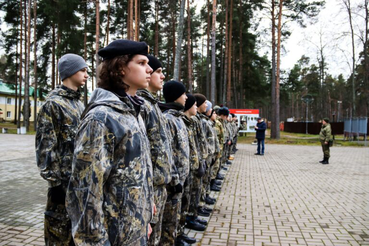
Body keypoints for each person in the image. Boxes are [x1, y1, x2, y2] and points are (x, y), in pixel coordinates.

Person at [66, 39, 154, 245]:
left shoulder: (132, 112)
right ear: (121, 68)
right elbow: (85, 193)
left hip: (134, 230)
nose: (149, 69)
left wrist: (145, 215)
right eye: (141, 63)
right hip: (113, 237)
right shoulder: (102, 117)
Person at [35, 53, 88, 246]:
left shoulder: (79, 104)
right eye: (82, 70)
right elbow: (45, 147)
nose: (86, 74)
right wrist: (55, 183)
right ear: (70, 71)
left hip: (79, 184)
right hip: (62, 187)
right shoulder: (53, 104)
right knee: (58, 238)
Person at [137, 55, 174, 246]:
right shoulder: (141, 106)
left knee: (156, 237)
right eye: (158, 71)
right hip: (149, 188)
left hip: (159, 184)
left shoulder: (153, 106)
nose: (161, 76)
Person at [159, 80, 190, 246]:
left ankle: (176, 237)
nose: (186, 97)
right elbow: (167, 153)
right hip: (172, 183)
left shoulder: (178, 118)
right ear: (176, 96)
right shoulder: (168, 119)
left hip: (180, 179)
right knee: (168, 221)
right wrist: (175, 179)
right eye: (183, 94)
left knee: (175, 216)